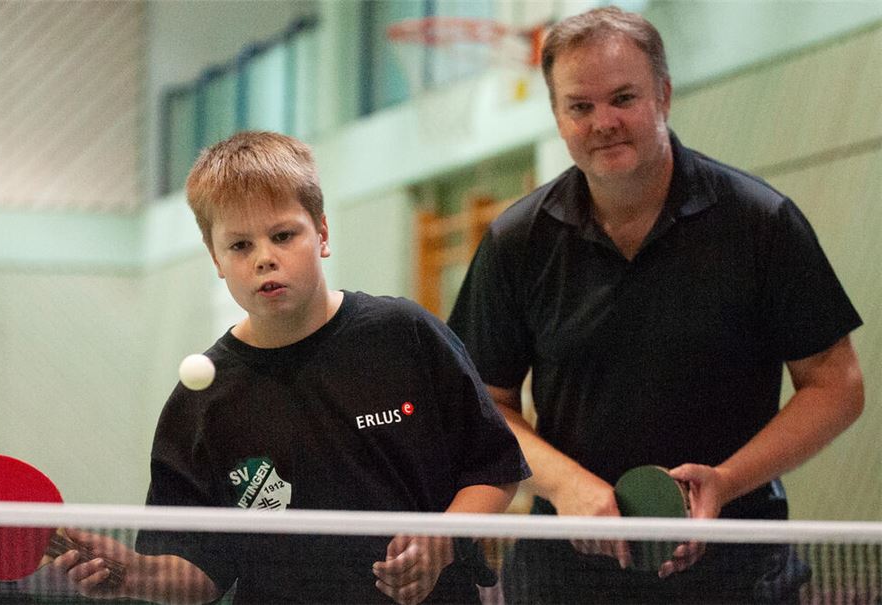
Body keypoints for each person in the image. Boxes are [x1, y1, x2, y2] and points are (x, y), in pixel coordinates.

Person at [446, 6, 864, 604]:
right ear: (558, 117)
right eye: (580, 107)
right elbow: (485, 405)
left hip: (737, 573)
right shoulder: (517, 241)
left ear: (663, 96)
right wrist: (568, 487)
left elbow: (837, 386)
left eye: (623, 98)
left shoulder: (760, 222)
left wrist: (725, 481)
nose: (603, 123)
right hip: (565, 577)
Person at [54, 131, 530, 605]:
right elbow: (203, 570)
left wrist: (442, 542)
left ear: (321, 233)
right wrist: (133, 575)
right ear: (215, 258)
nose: (264, 258)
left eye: (283, 235)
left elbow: (495, 468)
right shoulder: (201, 402)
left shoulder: (404, 335)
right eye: (240, 245)